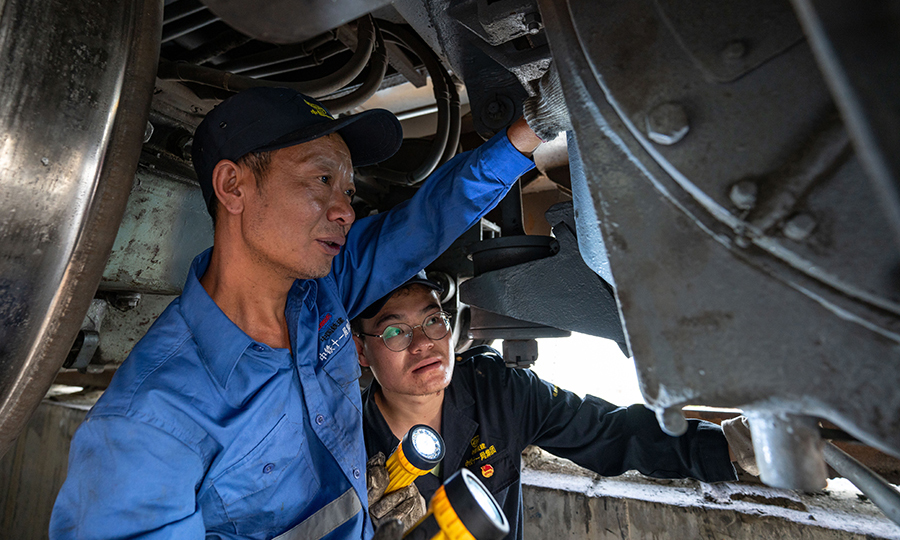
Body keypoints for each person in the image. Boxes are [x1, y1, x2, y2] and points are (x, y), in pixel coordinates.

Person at [50, 85, 547, 540]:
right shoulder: (150, 421)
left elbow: (427, 220)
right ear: (233, 186)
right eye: (322, 179)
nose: (345, 210)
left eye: (348, 192)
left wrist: (533, 126)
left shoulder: (325, 292)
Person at [353, 273, 758, 540]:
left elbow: (609, 431)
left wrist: (729, 448)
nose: (423, 342)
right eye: (394, 331)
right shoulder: (345, 446)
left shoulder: (496, 391)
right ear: (361, 350)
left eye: (433, 321)